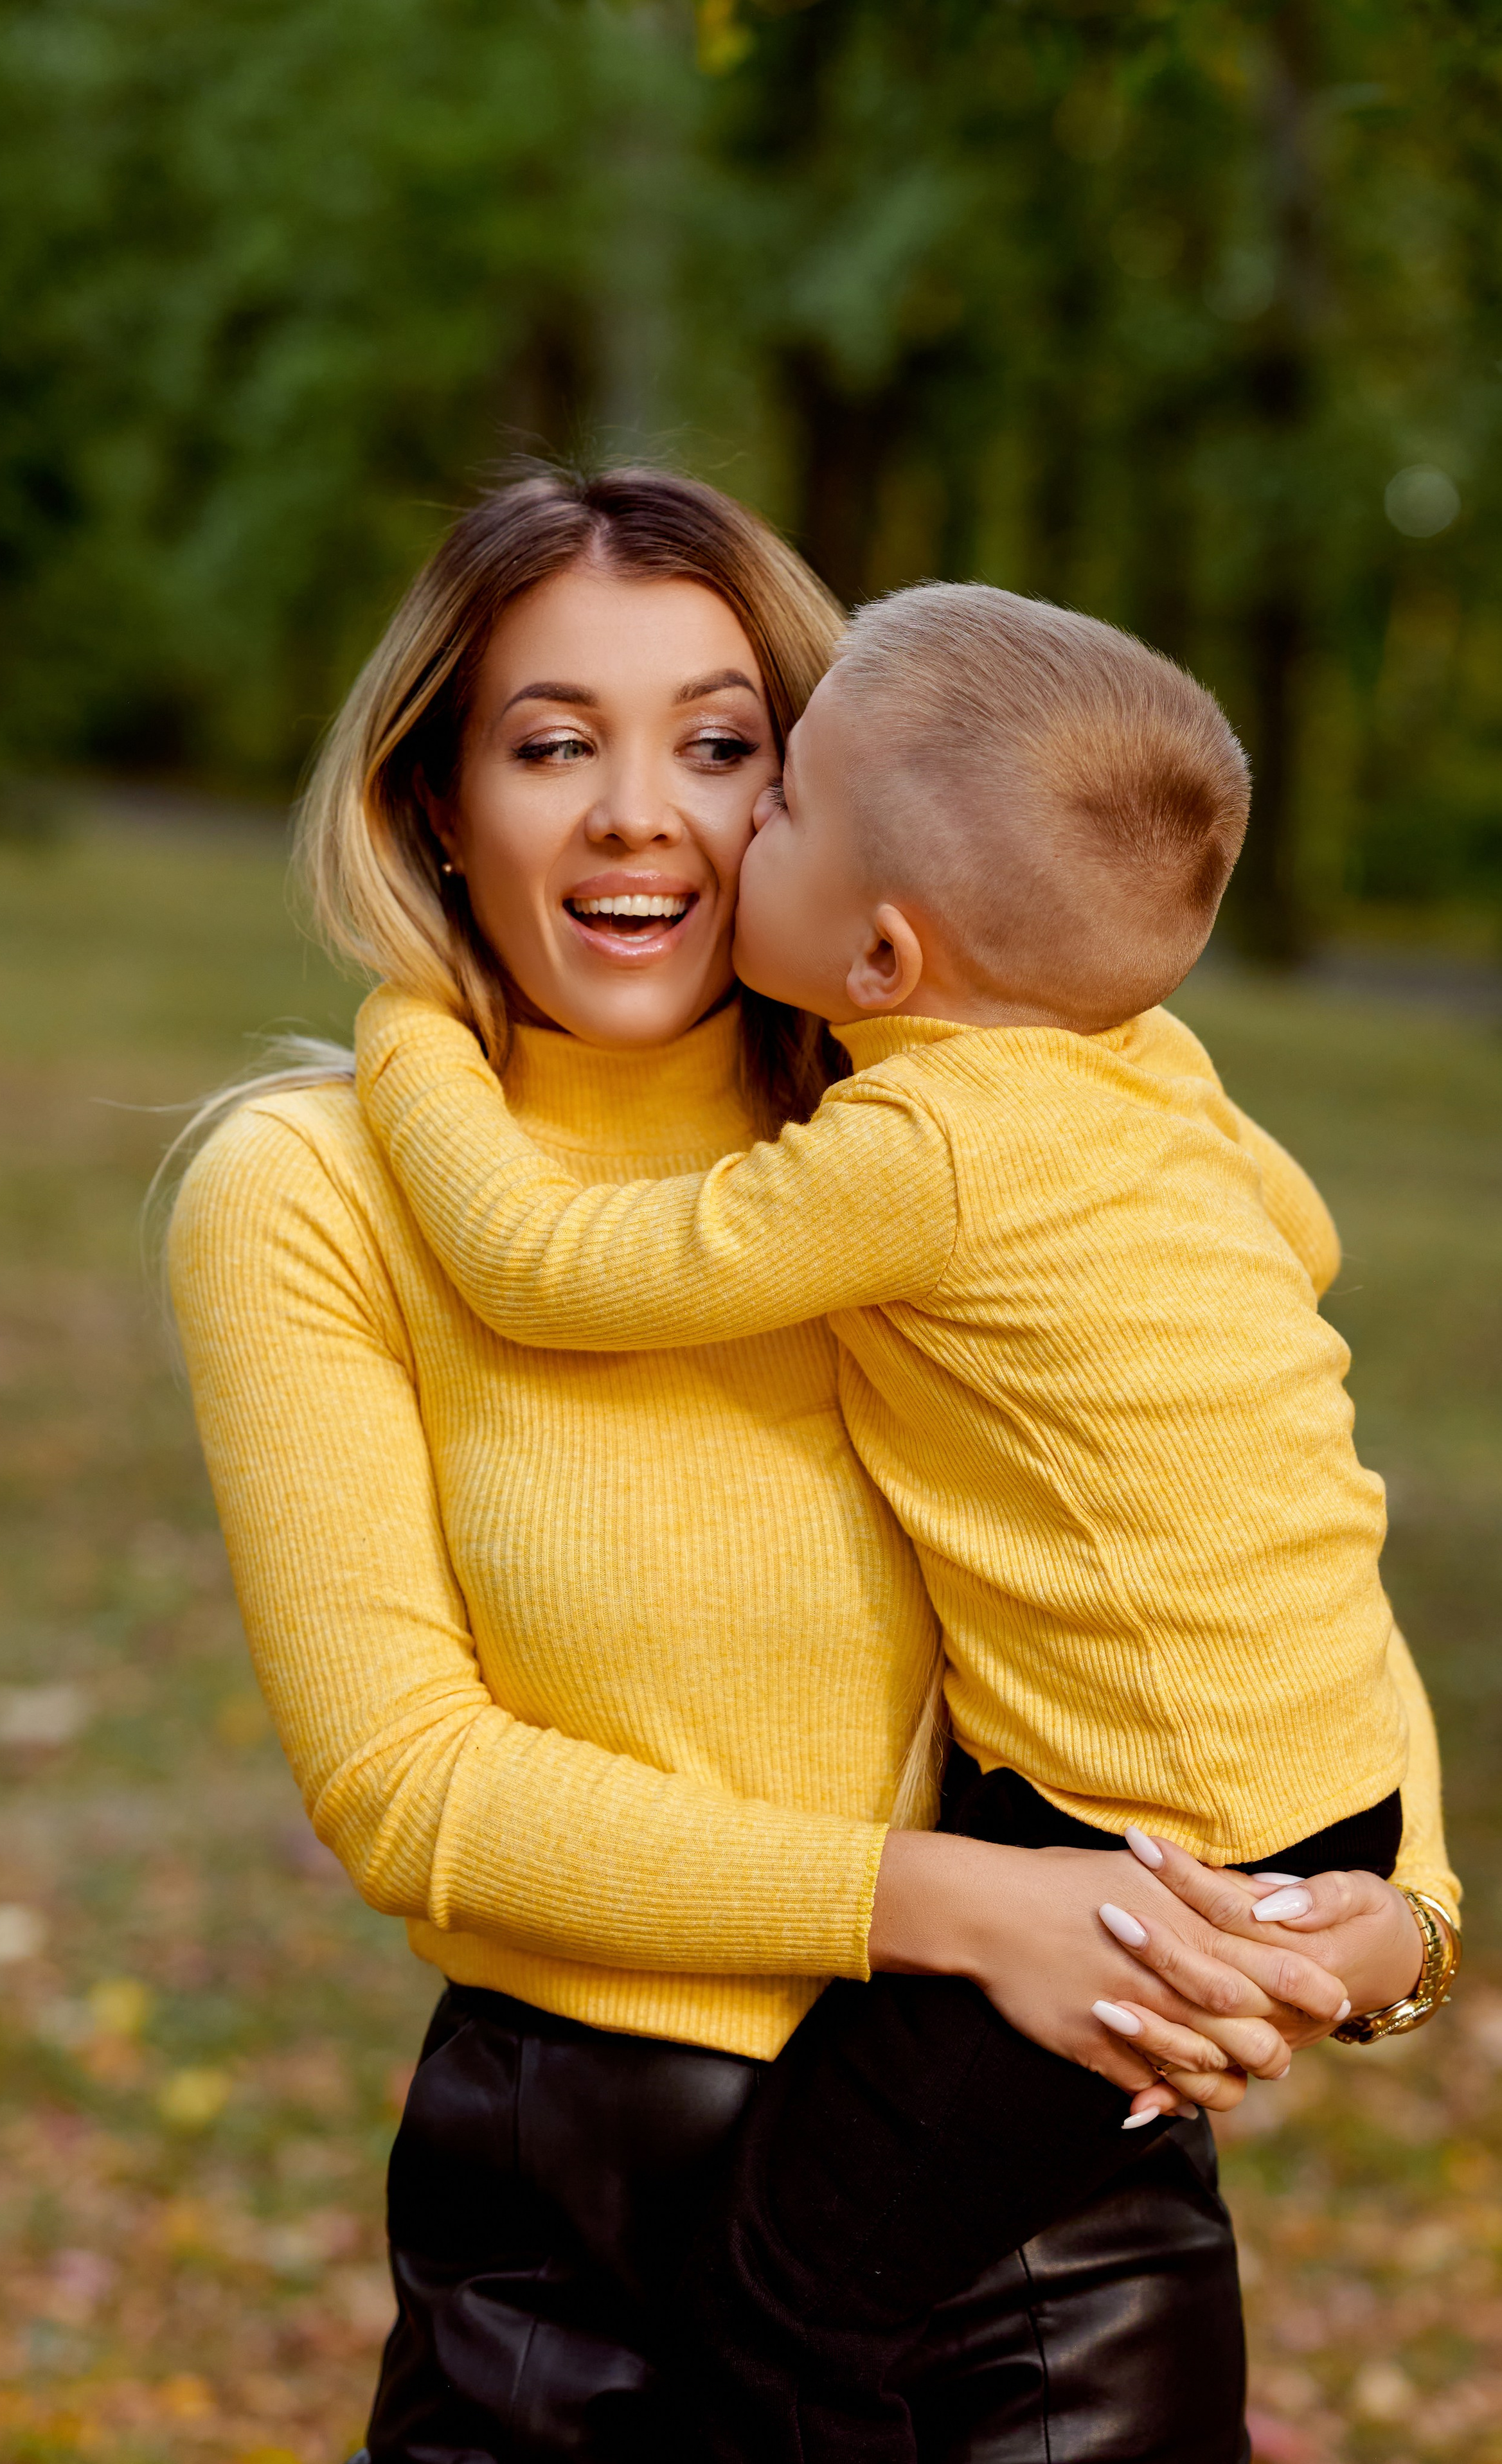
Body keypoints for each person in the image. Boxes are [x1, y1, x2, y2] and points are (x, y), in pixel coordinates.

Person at [166, 468, 1459, 2464]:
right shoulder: (313, 1190)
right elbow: (409, 1786)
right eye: (550, 743)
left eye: (719, 746)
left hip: (1055, 2257)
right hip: (571, 2255)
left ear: (839, 826)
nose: (637, 814)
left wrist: (1391, 1921)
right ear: (436, 796)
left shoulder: (988, 1094)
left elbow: (1260, 1495)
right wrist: (950, 1902)